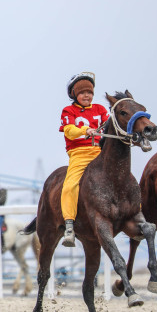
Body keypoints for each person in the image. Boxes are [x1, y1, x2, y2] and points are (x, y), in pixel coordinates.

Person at [59, 72, 108, 247]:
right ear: (74, 94)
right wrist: (85, 130)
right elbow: (69, 130)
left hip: (99, 152)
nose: (87, 95)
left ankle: (136, 214)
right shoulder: (68, 111)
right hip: (79, 154)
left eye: (90, 92)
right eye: (82, 92)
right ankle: (69, 225)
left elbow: (109, 126)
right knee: (69, 186)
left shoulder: (101, 109)